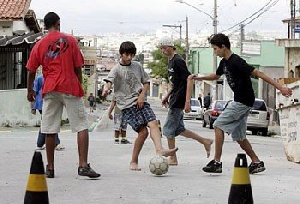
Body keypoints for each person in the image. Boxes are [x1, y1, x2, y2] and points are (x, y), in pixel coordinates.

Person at [185, 33, 292, 174]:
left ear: (223, 47)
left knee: (217, 125)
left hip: (243, 101)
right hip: (240, 101)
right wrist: (199, 77)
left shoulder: (237, 61)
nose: (214, 52)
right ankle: (256, 162)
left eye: (215, 49)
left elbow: (259, 73)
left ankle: (216, 162)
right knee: (240, 138)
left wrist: (280, 87)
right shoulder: (224, 62)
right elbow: (215, 76)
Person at [26, 12, 100, 179]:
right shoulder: (71, 41)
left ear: (44, 26)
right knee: (81, 126)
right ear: (58, 23)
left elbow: (31, 70)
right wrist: (80, 84)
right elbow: (78, 67)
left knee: (49, 129)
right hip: (70, 86)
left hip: (50, 88)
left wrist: (30, 90)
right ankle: (82, 165)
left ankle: (50, 168)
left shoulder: (39, 44)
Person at [102, 41, 178, 171]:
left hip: (140, 101)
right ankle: (133, 161)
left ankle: (160, 150)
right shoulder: (116, 69)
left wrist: (142, 95)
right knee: (143, 132)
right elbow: (109, 81)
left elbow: (146, 82)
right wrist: (106, 89)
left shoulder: (137, 66)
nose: (130, 58)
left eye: (132, 55)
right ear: (121, 54)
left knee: (153, 122)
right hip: (127, 105)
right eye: (127, 55)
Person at [159, 36, 213, 166]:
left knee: (168, 129)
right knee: (179, 129)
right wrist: (167, 96)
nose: (163, 50)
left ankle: (173, 158)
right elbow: (175, 83)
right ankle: (205, 141)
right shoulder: (170, 61)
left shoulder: (178, 61)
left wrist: (187, 101)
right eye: (161, 48)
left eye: (165, 47)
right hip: (174, 96)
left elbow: (189, 79)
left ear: (171, 47)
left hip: (180, 99)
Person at [31, 74, 64, 151]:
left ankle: (40, 143)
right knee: (51, 122)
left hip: (49, 102)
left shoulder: (52, 77)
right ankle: (55, 143)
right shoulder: (40, 78)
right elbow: (34, 92)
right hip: (42, 103)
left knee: (46, 122)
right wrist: (33, 107)